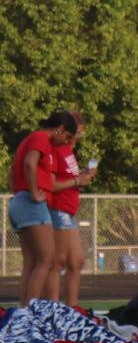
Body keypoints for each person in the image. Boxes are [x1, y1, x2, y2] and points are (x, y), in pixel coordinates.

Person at [9, 111, 79, 305]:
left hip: (20, 202)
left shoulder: (32, 139)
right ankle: (32, 313)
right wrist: (32, 192)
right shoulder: (41, 137)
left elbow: (12, 171)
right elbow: (30, 163)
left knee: (31, 262)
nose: (65, 141)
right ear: (60, 129)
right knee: (46, 260)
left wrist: (19, 192)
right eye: (66, 137)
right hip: (32, 204)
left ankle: (24, 312)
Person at [42, 110, 96, 308]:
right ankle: (54, 310)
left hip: (69, 210)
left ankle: (72, 310)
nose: (77, 138)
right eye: (76, 133)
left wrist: (83, 177)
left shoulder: (68, 151)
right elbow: (52, 184)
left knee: (77, 261)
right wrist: (76, 180)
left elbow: (68, 179)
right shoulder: (54, 149)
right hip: (58, 209)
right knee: (57, 262)